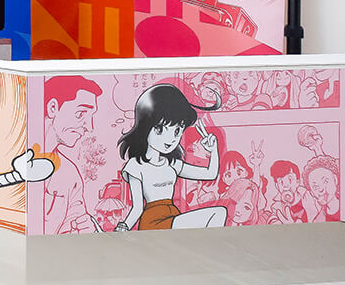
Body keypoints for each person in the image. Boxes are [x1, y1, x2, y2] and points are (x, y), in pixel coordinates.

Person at [113, 83, 226, 230]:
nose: (171, 138)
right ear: (145, 127)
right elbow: (137, 208)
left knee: (220, 213)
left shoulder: (172, 164)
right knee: (218, 213)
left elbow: (210, 174)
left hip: (173, 218)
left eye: (177, 131)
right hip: (153, 223)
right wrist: (123, 227)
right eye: (160, 129)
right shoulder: (135, 166)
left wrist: (213, 150)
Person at [41, 75, 104, 233]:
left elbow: (74, 222)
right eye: (81, 113)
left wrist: (84, 228)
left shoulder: (70, 175)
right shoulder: (11, 155)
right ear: (53, 108)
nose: (89, 127)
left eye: (91, 116)